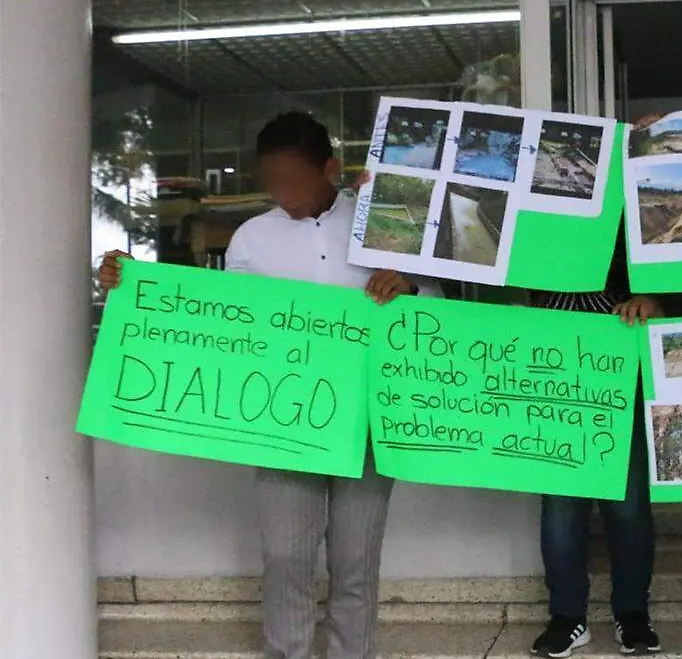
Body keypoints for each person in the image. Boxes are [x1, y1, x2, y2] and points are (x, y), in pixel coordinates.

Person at [99, 111, 441, 659]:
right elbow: (219, 323)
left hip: (368, 420)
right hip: (282, 422)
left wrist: (412, 285)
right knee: (286, 558)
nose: (282, 193)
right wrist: (133, 284)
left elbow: (437, 313)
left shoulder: (384, 222)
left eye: (293, 179)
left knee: (356, 559)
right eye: (272, 180)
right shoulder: (251, 239)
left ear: (328, 167)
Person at [527, 232, 682, 658]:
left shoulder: (638, 194)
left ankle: (633, 614)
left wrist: (658, 300)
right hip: (551, 355)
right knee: (561, 502)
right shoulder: (543, 191)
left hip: (623, 354)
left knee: (628, 501)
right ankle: (567, 616)